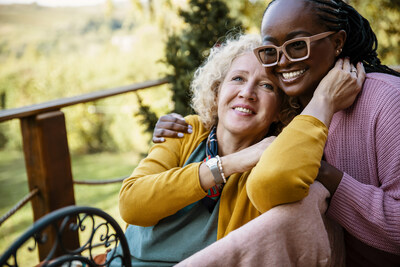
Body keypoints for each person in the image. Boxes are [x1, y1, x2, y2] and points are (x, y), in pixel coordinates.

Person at [153, 0, 400, 265]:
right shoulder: (286, 115)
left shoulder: (386, 99)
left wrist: (323, 175)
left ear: (338, 41)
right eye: (271, 50)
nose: (282, 61)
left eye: (297, 46)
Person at [110, 33, 362, 266]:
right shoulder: (187, 131)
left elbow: (278, 183)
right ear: (218, 90)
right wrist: (229, 164)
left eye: (267, 86)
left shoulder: (276, 157)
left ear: (280, 109)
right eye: (238, 78)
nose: (247, 93)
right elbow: (131, 204)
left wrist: (323, 102)